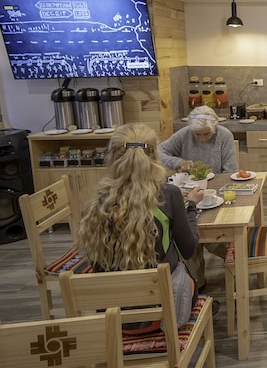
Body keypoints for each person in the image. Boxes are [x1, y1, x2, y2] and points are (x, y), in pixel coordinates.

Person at [78, 123, 205, 329]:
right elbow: (188, 250)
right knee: (180, 266)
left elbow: (97, 265)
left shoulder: (96, 205)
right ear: (154, 156)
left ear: (112, 157)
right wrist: (190, 206)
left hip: (115, 321)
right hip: (163, 316)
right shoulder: (168, 195)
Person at [157, 105, 238, 290]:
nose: (202, 138)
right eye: (197, 135)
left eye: (206, 134)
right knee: (189, 233)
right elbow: (159, 152)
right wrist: (178, 162)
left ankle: (239, 258)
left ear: (214, 127)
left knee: (205, 237)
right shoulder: (185, 134)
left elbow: (230, 171)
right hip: (189, 193)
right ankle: (198, 285)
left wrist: (214, 188)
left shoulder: (224, 135)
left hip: (216, 193)